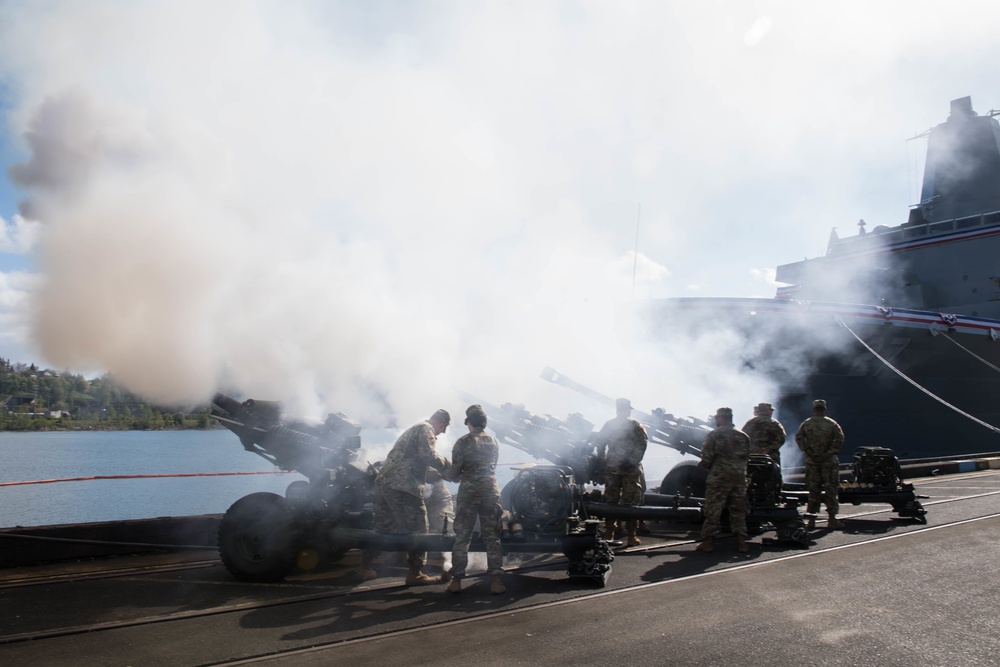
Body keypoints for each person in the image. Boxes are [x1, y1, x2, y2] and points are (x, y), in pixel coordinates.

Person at [357, 409, 451, 585]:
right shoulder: (427, 429)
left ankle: (364, 567)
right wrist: (449, 466)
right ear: (441, 424)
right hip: (404, 486)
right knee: (420, 528)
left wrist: (440, 474)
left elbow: (416, 463)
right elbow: (428, 456)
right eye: (442, 429)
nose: (440, 433)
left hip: (385, 482)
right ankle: (415, 573)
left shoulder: (414, 429)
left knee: (382, 528)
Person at [445, 404, 505, 595]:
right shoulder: (493, 442)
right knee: (492, 536)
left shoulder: (462, 442)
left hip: (469, 492)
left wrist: (448, 473)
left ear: (469, 423)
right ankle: (496, 581)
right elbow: (492, 466)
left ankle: (456, 580)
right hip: (490, 490)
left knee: (463, 536)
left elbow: (455, 471)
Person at [695, 407, 751, 553]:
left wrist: (705, 465)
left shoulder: (714, 434)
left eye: (717, 418)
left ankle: (707, 542)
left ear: (721, 418)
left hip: (720, 478)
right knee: (738, 510)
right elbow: (747, 456)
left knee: (713, 509)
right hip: (738, 478)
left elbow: (706, 457)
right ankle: (742, 542)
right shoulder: (743, 435)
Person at [597, 398, 648, 547]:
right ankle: (631, 536)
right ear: (627, 409)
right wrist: (632, 460)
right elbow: (642, 444)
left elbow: (600, 444)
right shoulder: (636, 425)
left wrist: (603, 461)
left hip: (612, 467)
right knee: (631, 502)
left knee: (611, 500)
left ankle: (609, 533)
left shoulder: (609, 425)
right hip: (630, 470)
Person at [795, 399, 846, 530]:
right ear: (824, 409)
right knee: (830, 490)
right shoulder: (831, 423)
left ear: (814, 409)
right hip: (828, 462)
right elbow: (839, 439)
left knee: (813, 490)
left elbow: (799, 438)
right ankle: (832, 519)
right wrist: (828, 453)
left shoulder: (807, 423)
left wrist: (808, 451)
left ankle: (811, 520)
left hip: (812, 462)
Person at [741, 402, 787, 467]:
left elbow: (743, 438)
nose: (771, 412)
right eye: (771, 410)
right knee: (773, 474)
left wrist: (754, 449)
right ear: (767, 411)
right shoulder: (774, 423)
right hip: (771, 456)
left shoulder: (750, 422)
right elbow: (782, 438)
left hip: (754, 457)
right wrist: (768, 449)